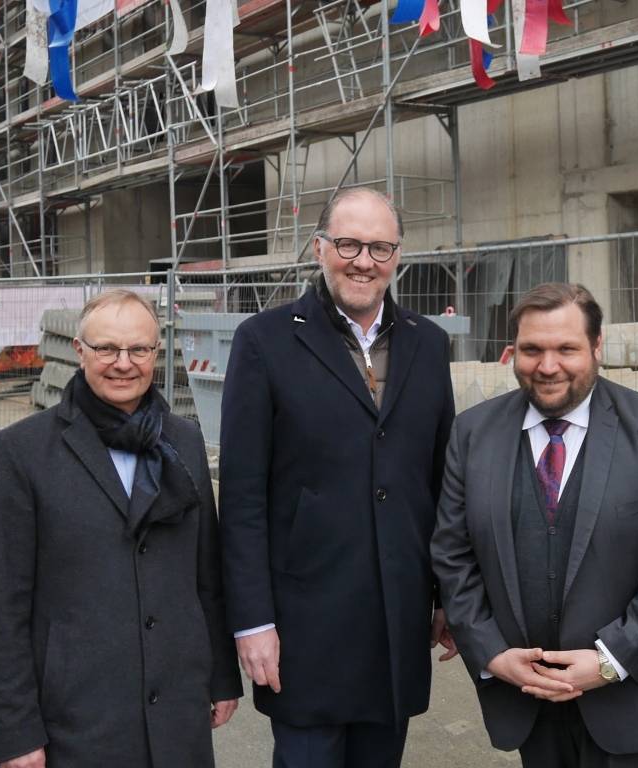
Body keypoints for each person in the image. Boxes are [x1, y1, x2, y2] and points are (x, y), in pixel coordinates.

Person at [218, 187, 456, 768]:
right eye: (348, 244)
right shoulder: (265, 341)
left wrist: (449, 595)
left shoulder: (428, 343)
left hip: (396, 621)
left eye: (380, 248)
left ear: (397, 256)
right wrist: (252, 621)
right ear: (320, 248)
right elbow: (243, 497)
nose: (363, 261)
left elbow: (443, 483)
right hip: (306, 627)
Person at [433, 282, 638, 767]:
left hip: (633, 706)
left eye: (566, 349)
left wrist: (610, 661)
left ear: (597, 347)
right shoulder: (472, 433)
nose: (547, 366)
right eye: (532, 350)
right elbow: (453, 554)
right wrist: (492, 654)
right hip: (527, 700)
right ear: (513, 350)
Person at [0, 289, 242, 768]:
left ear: (156, 352)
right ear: (79, 351)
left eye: (138, 349)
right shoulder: (21, 453)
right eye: (107, 349)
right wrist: (14, 730)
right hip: (77, 721)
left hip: (178, 714)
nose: (123, 363)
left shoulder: (184, 442)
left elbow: (207, 577)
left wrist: (222, 676)